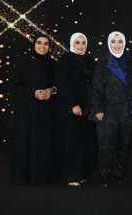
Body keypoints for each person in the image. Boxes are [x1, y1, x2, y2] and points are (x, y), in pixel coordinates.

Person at [11, 34, 58, 184]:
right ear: (34, 44)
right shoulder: (23, 62)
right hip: (27, 111)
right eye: (39, 43)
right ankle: (23, 176)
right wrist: (33, 93)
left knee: (44, 143)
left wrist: (50, 91)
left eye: (46, 44)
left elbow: (58, 86)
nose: (42, 46)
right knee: (25, 142)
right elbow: (15, 86)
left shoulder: (53, 64)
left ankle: (43, 176)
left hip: (46, 111)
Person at [91, 31, 132, 187]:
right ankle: (104, 175)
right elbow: (96, 87)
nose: (117, 45)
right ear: (109, 43)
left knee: (123, 143)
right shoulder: (103, 62)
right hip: (107, 109)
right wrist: (98, 109)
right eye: (114, 41)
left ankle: (118, 174)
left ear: (124, 43)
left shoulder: (131, 62)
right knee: (106, 144)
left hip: (126, 109)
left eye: (120, 41)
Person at [57, 32, 96, 186]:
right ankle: (71, 176)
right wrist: (72, 104)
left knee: (85, 141)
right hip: (72, 108)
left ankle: (83, 174)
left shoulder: (89, 60)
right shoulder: (64, 60)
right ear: (72, 43)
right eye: (77, 42)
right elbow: (63, 85)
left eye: (83, 43)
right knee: (71, 142)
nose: (80, 46)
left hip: (87, 108)